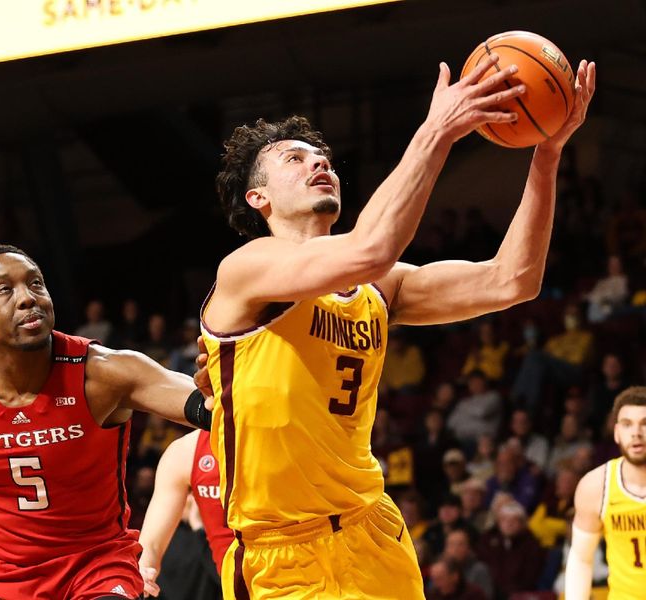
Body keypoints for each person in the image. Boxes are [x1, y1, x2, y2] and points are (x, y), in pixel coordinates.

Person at [200, 54, 596, 599]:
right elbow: (371, 246)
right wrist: (437, 129)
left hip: (373, 534)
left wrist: (546, 155)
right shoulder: (248, 269)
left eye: (324, 157)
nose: (319, 164)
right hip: (283, 554)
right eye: (296, 159)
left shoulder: (380, 287)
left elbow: (513, 280)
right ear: (258, 198)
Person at [0, 245, 210, 600]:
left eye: (36, 284)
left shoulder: (103, 373)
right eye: (6, 289)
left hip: (96, 566)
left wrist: (217, 391)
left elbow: (207, 406)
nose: (27, 298)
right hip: (5, 573)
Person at [566, 386, 646, 599]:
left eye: (645, 423)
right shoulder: (596, 486)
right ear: (617, 433)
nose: (637, 432)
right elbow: (581, 558)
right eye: (628, 424)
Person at [139, 429, 233, 598]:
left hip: (287, 577)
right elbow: (151, 545)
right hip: (231, 585)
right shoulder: (184, 452)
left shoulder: (287, 435)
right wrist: (144, 572)